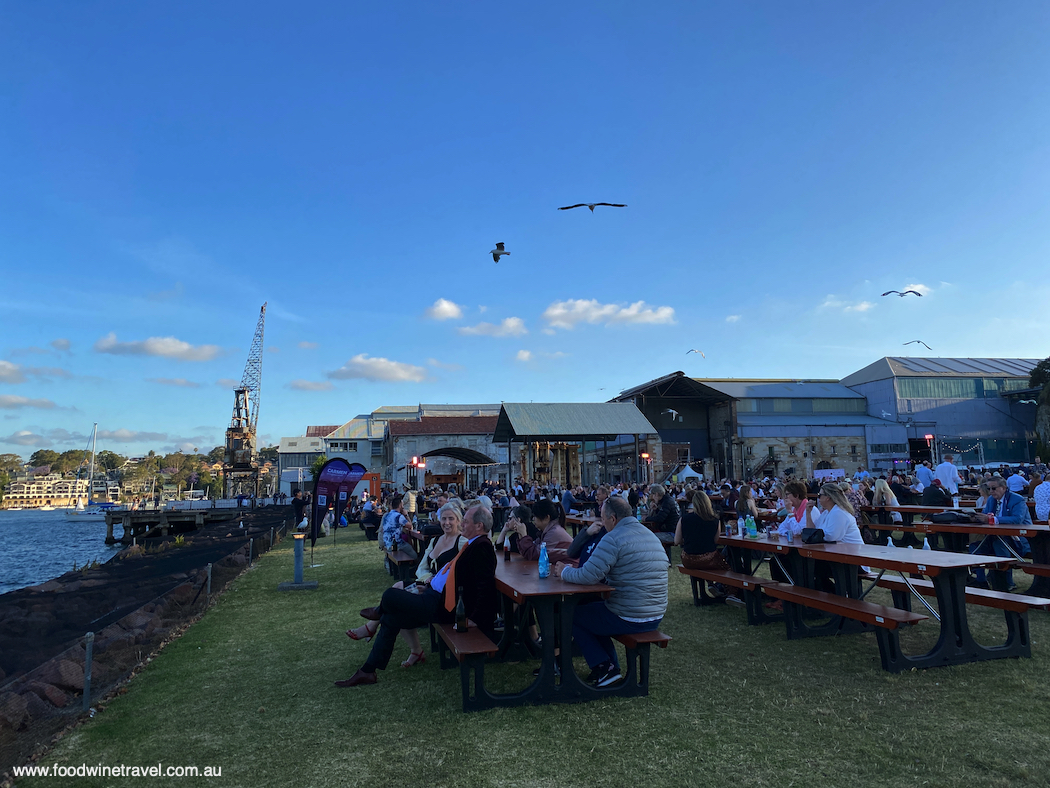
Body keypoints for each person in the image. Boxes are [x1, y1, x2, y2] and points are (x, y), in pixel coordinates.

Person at [336, 506, 497, 687]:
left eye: (465, 521)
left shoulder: (481, 547)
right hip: (432, 595)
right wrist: (426, 585)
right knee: (391, 617)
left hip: (443, 606)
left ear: (479, 525)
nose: (462, 524)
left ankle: (377, 615)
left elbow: (486, 587)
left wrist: (474, 618)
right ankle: (368, 670)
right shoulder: (471, 543)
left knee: (390, 596)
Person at [553, 496, 668, 687]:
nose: (602, 523)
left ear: (613, 518)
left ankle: (604, 666)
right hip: (655, 614)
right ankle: (608, 666)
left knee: (570, 613)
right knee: (594, 612)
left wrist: (564, 571)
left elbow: (587, 575)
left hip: (630, 615)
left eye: (603, 518)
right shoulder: (649, 535)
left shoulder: (613, 538)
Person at [348, 503, 467, 667]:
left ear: (458, 521)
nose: (447, 522)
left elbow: (464, 572)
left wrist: (433, 583)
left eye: (451, 519)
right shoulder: (435, 540)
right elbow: (421, 568)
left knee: (396, 596)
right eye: (444, 518)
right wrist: (427, 579)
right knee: (398, 589)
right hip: (427, 584)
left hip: (441, 594)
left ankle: (373, 627)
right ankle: (414, 650)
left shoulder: (462, 543)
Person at [971, 477, 1033, 590]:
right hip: (996, 537)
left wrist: (992, 520)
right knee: (974, 546)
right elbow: (986, 515)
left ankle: (1006, 583)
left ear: (1003, 488)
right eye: (989, 488)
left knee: (999, 544)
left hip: (1019, 538)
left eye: (994, 488)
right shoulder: (991, 500)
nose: (991, 491)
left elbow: (1017, 520)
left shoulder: (1017, 499)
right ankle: (981, 581)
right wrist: (976, 518)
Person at [506, 498, 572, 562]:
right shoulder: (548, 531)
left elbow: (533, 555)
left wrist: (524, 535)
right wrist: (520, 535)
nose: (533, 519)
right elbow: (528, 553)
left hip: (569, 569)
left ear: (547, 517)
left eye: (535, 516)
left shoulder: (554, 533)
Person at [675, 490, 727, 571]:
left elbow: (676, 541)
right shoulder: (715, 520)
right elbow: (716, 540)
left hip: (689, 559)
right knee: (725, 564)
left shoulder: (684, 519)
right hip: (709, 559)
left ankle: (710, 583)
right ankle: (716, 583)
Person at [381, 495, 417, 561]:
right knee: (414, 554)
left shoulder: (387, 515)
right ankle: (411, 567)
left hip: (387, 542)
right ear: (400, 505)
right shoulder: (398, 516)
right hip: (396, 544)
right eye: (402, 504)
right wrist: (406, 515)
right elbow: (410, 526)